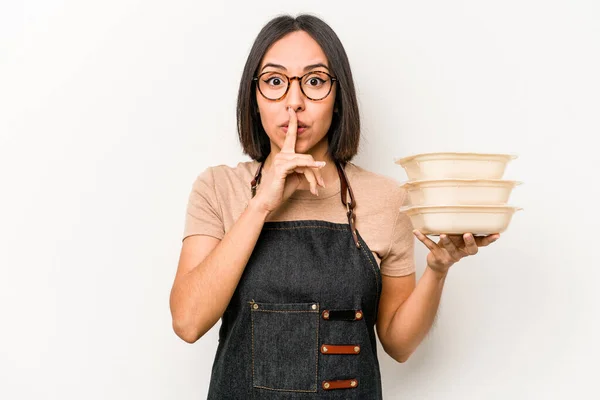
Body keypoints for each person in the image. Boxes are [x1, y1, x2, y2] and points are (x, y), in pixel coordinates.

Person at [169, 13, 500, 399]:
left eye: (314, 82)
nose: (294, 102)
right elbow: (188, 322)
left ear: (338, 97)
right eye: (275, 82)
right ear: (254, 97)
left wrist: (438, 269)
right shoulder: (218, 187)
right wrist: (261, 205)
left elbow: (399, 344)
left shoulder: (386, 198)